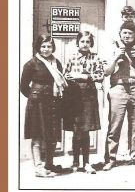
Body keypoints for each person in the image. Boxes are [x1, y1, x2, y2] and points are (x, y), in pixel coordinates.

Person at [103, 21, 135, 171]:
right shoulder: (113, 47)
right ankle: (110, 158)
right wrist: (116, 57)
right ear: (120, 34)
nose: (127, 36)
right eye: (125, 33)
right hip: (118, 87)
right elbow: (106, 72)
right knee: (114, 125)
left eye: (130, 33)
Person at [20, 34, 67, 178]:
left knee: (52, 134)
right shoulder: (31, 64)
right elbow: (23, 87)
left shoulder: (56, 63)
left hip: (53, 103)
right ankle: (39, 167)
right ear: (38, 47)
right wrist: (35, 97)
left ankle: (49, 164)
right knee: (37, 135)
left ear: (53, 47)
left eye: (49, 46)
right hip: (37, 104)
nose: (46, 49)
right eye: (43, 46)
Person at [62, 31, 104, 174]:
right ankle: (75, 162)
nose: (85, 44)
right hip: (74, 96)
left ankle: (86, 163)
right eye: (82, 42)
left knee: (85, 131)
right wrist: (71, 78)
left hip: (89, 96)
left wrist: (81, 76)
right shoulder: (72, 57)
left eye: (88, 42)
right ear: (78, 43)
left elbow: (100, 75)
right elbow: (65, 75)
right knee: (76, 130)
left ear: (91, 43)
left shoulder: (95, 57)